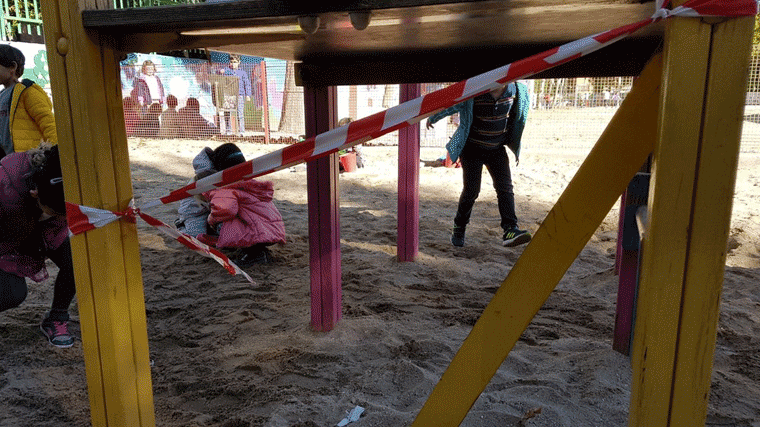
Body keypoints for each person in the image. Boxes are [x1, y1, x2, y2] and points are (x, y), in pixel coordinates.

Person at [426, 81, 531, 248]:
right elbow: (452, 105)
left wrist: (514, 142)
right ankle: (459, 227)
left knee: (505, 188)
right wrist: (434, 117)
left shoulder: (516, 90)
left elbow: (519, 116)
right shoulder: (475, 91)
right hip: (472, 149)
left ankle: (510, 229)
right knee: (472, 190)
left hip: (496, 149)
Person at [0, 143, 76, 348]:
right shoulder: (4, 185)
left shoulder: (65, 172)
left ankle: (57, 317)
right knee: (11, 293)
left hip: (43, 231)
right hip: (7, 236)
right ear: (35, 192)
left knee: (78, 261)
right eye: (54, 212)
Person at [197, 143, 286, 266]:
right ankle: (258, 252)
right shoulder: (249, 183)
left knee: (220, 219)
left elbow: (225, 210)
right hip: (272, 230)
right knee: (239, 216)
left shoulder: (227, 189)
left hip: (258, 233)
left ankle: (255, 255)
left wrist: (211, 219)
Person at [0, 44, 57, 158]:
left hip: (30, 158)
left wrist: (55, 152)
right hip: (9, 160)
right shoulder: (1, 95)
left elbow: (47, 122)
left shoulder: (27, 91)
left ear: (12, 67)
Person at [218, 54, 252, 135]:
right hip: (229, 95)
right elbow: (218, 73)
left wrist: (248, 95)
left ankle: (242, 131)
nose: (233, 64)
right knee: (228, 113)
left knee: (240, 114)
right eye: (231, 62)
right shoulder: (227, 70)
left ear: (239, 62)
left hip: (240, 95)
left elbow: (247, 84)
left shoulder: (242, 73)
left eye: (235, 62)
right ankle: (228, 131)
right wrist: (220, 71)